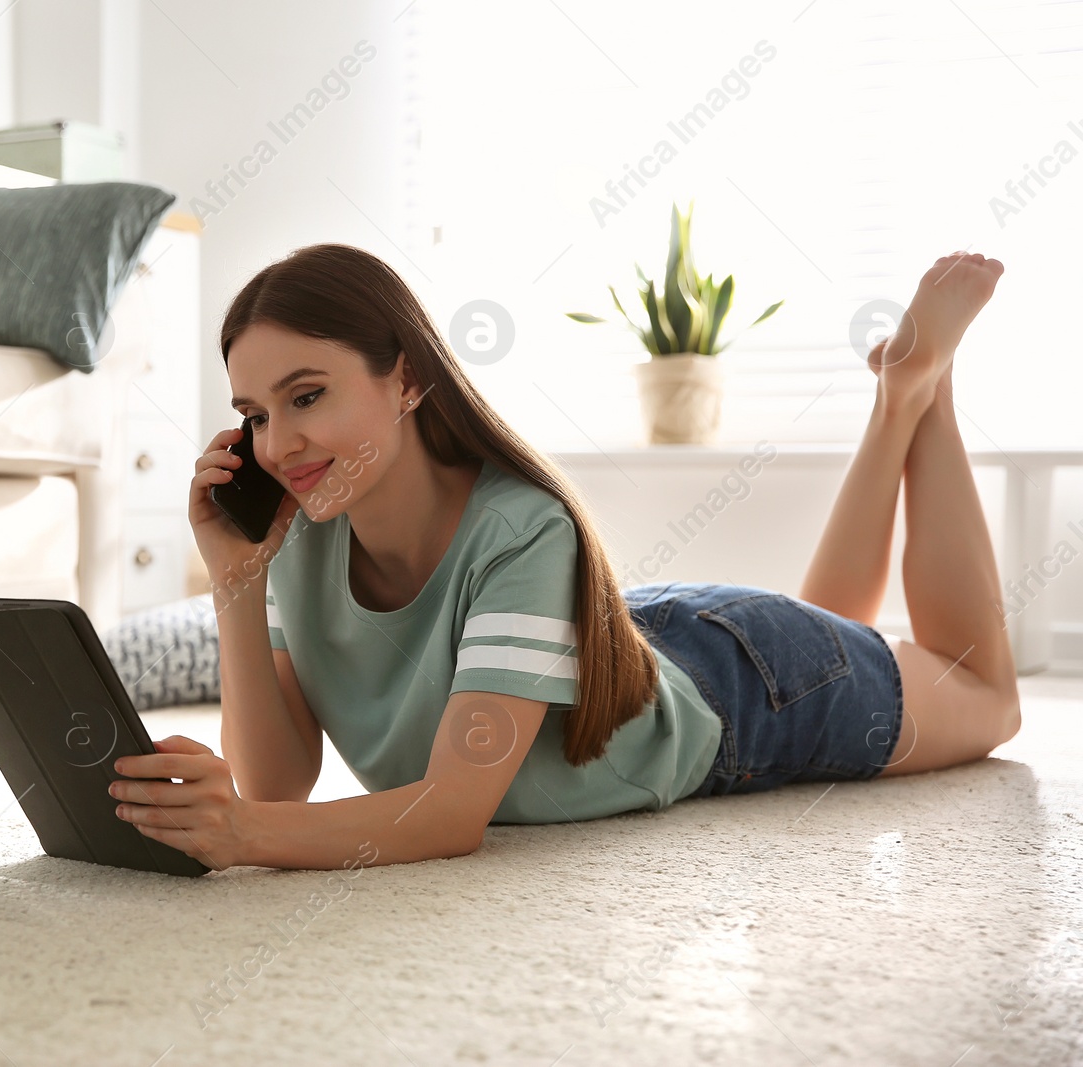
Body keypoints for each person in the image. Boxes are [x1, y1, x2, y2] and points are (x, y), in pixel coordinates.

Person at [107, 243, 1020, 872]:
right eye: (257, 413)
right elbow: (278, 781)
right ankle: (898, 398)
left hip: (741, 689)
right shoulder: (297, 532)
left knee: (984, 695)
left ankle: (921, 393)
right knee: (847, 628)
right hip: (629, 640)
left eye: (307, 395)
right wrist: (235, 580)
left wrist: (245, 836)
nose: (278, 444)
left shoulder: (521, 527)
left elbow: (453, 813)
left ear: (410, 378)